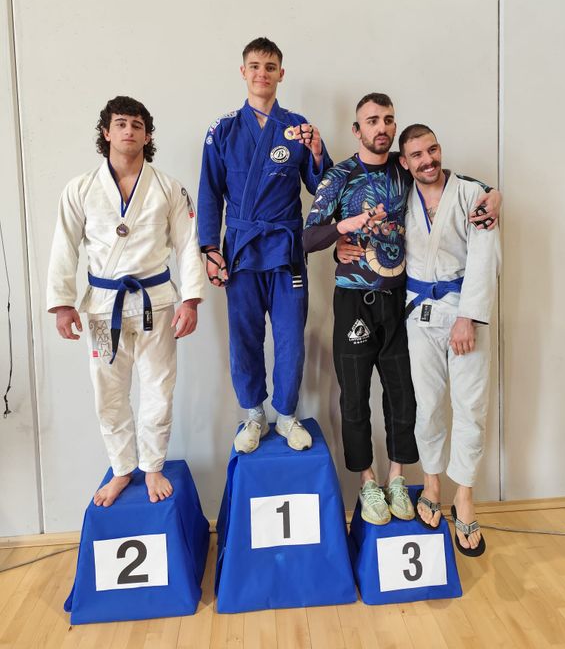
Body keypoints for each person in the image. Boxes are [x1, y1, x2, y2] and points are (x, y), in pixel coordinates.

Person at [303, 93, 500, 526]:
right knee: (355, 397)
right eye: (372, 120)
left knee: (405, 397)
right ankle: (368, 482)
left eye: (388, 119)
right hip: (353, 301)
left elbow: (452, 181)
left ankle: (396, 477)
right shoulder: (339, 176)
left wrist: (493, 193)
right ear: (357, 130)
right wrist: (342, 231)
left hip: (400, 302)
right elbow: (307, 237)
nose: (382, 127)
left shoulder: (403, 166)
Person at [47, 96, 204, 507]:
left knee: (159, 388)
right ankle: (121, 468)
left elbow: (188, 246)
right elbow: (64, 246)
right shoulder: (80, 189)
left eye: (137, 125)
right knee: (109, 392)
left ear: (147, 135)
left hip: (157, 304)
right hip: (103, 308)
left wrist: (191, 300)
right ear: (106, 132)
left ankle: (152, 466)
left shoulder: (169, 188)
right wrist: (63, 303)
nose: (129, 131)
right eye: (120, 124)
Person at [198, 38, 332, 454]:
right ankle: (254, 414)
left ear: (281, 74)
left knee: (291, 338)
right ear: (243, 72)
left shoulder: (297, 127)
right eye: (254, 66)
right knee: (244, 337)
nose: (262, 73)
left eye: (270, 67)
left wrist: (317, 152)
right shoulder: (223, 130)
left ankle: (287, 415)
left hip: (286, 250)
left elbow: (322, 187)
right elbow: (209, 193)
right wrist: (209, 249)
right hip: (240, 250)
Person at [398, 123, 500, 556]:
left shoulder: (473, 195)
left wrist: (468, 318)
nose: (428, 160)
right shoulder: (399, 197)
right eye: (417, 155)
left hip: (463, 311)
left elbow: (484, 257)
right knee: (428, 404)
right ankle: (432, 484)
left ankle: (464, 496)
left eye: (432, 150)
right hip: (418, 312)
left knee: (470, 405)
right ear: (405, 163)